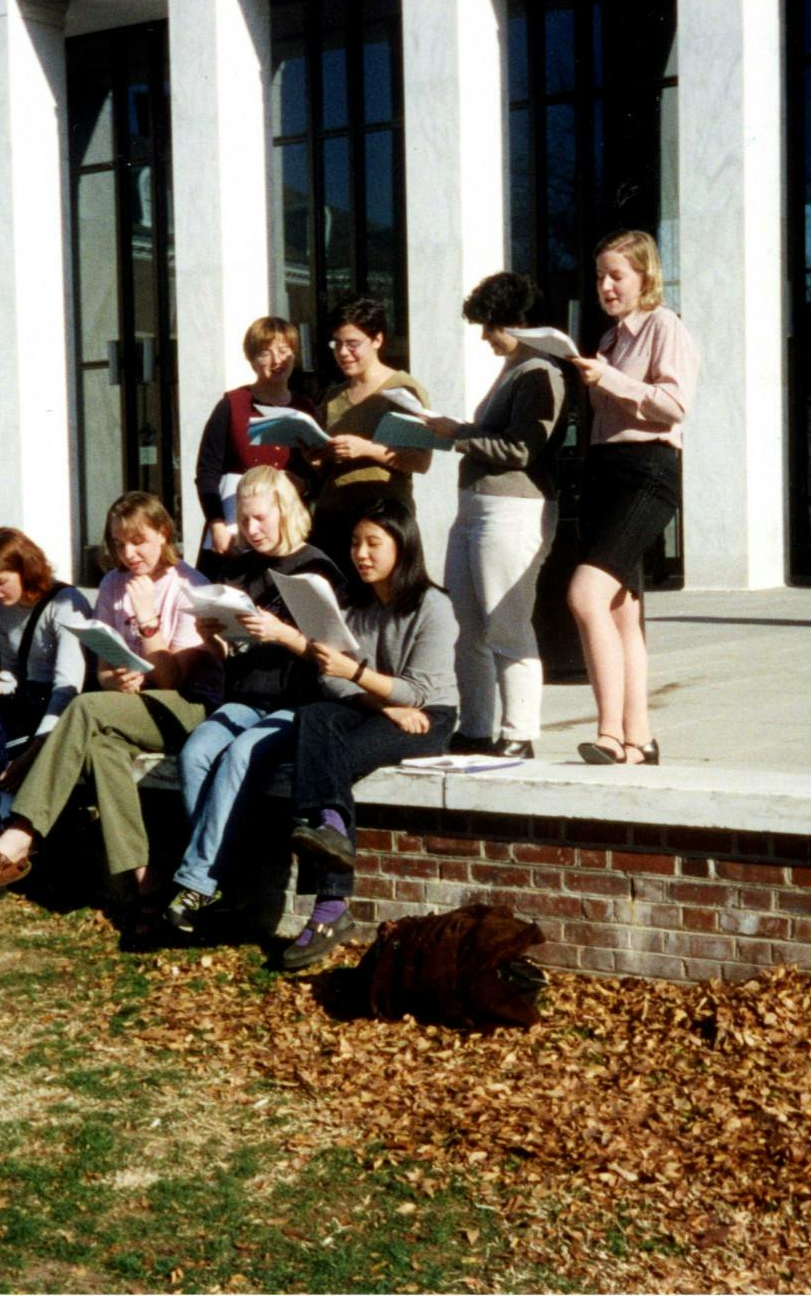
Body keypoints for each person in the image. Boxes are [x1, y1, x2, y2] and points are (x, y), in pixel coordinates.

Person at [0, 494, 222, 899]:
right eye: (118, 543)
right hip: (129, 707)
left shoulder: (190, 586)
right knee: (100, 750)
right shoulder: (113, 583)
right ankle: (142, 884)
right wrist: (118, 680)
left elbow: (170, 680)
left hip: (186, 708)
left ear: (163, 533)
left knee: (83, 706)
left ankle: (21, 833)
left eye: (138, 541)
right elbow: (103, 670)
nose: (128, 553)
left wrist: (147, 618)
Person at [164, 466, 346, 934]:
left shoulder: (315, 568)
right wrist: (211, 638)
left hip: (298, 700)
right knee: (197, 752)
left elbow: (332, 656)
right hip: (246, 695)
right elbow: (234, 656)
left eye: (260, 519)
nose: (252, 530)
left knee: (242, 753)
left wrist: (284, 634)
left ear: (285, 511)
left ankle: (199, 883)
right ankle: (225, 874)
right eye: (244, 521)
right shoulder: (240, 568)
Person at [281, 498, 458, 970]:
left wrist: (365, 679)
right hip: (379, 709)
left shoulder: (433, 606)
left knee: (331, 755)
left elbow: (418, 693)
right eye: (356, 544)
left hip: (429, 717)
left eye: (373, 543)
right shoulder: (355, 607)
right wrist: (382, 702)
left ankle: (328, 906)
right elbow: (329, 678)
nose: (361, 553)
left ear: (402, 547)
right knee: (315, 717)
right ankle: (330, 832)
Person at [420, 272, 570, 760]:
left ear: (518, 322)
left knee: (506, 622)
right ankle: (478, 726)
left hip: (513, 509)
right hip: (476, 508)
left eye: (491, 326)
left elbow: (523, 448)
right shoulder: (516, 369)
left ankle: (520, 731)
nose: (485, 337)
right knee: (467, 624)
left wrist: (455, 435)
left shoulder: (541, 372)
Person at [565, 230, 698, 766]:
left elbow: (674, 405)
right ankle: (638, 738)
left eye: (616, 275)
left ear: (645, 277)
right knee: (621, 611)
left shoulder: (665, 326)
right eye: (600, 276)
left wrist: (611, 380)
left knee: (585, 595)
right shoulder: (611, 341)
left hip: (649, 472)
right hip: (607, 473)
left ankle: (607, 733)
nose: (606, 286)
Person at [0, 528, 92, 865]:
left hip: (58, 706)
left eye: (0, 581)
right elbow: (12, 666)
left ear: (25, 570)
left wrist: (39, 749)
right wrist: (0, 681)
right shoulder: (0, 607)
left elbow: (68, 687)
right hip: (23, 699)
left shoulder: (65, 604)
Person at [310, 295, 432, 581]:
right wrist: (318, 457)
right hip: (333, 516)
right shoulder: (333, 395)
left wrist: (367, 449)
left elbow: (420, 461)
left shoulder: (403, 390)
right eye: (336, 343)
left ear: (377, 340)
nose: (343, 352)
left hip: (380, 520)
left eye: (353, 344)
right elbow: (325, 466)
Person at [193, 316, 318, 578]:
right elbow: (207, 470)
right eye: (265, 353)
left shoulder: (306, 409)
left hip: (286, 532)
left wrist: (304, 483)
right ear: (251, 360)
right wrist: (216, 522)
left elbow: (321, 473)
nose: (277, 360)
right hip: (235, 526)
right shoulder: (233, 404)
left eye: (284, 351)